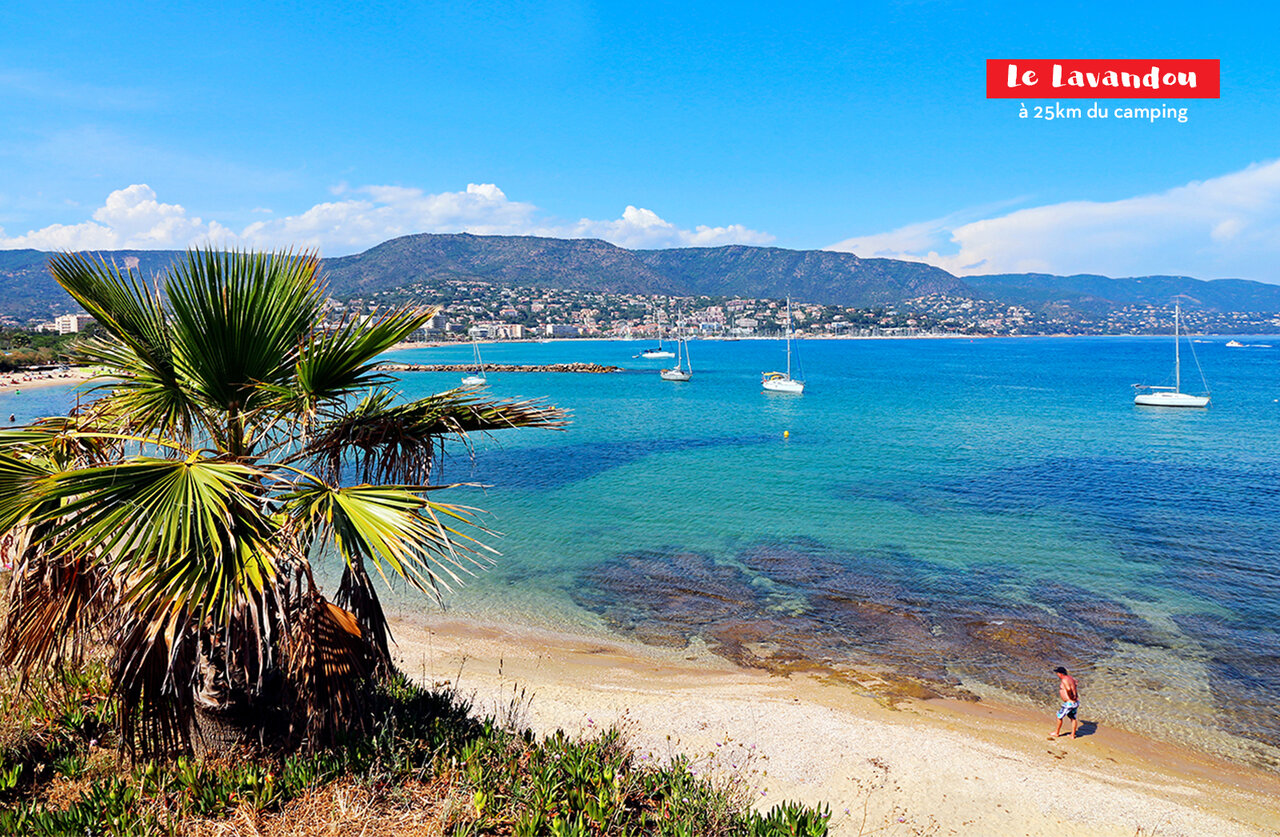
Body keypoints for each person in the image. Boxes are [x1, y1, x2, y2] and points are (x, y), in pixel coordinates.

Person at [1051, 666, 1080, 739]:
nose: (1057, 674)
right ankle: (1072, 735)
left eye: (1057, 673)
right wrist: (1074, 695)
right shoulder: (1070, 678)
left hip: (1069, 703)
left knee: (1059, 716)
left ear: (1060, 674)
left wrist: (1070, 696)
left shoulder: (1064, 680)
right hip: (1075, 702)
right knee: (1073, 718)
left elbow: (1068, 688)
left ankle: (1056, 733)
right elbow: (1076, 682)